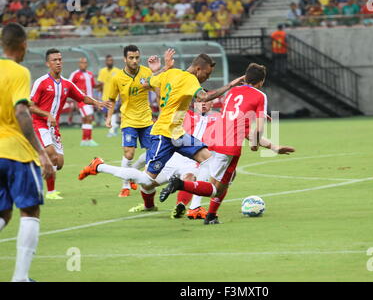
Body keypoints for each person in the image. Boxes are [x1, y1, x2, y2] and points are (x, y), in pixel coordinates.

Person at [78, 53, 245, 221]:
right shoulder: (190, 79)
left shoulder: (170, 73)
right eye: (207, 74)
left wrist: (162, 70)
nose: (206, 77)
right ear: (198, 68)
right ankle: (99, 166)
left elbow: (144, 83)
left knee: (209, 161)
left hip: (177, 133)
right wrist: (231, 85)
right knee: (146, 179)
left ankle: (195, 206)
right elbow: (204, 97)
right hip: (163, 134)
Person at [159, 63, 296, 224]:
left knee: (229, 177)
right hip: (229, 147)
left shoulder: (233, 92)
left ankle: (211, 216)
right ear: (261, 81)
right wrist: (256, 142)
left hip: (215, 141)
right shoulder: (260, 96)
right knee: (215, 189)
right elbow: (258, 128)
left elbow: (238, 125)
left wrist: (272, 146)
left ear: (246, 77)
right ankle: (181, 184)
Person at [0, 22, 54, 282]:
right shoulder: (19, 72)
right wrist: (41, 153)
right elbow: (21, 111)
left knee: (3, 212)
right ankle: (20, 278)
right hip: (16, 154)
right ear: (23, 45)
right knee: (30, 210)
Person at [30, 49, 108, 200]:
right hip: (40, 124)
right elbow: (30, 106)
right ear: (48, 63)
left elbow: (82, 97)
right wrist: (47, 115)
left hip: (54, 128)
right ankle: (51, 192)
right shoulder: (41, 82)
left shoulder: (67, 84)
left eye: (60, 59)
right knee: (52, 156)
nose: (58, 62)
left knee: (59, 163)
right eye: (54, 60)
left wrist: (97, 102)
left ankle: (36, 166)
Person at [103, 45, 163, 198]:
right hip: (128, 120)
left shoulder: (146, 72)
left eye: (137, 57)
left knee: (152, 153)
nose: (134, 60)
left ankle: (133, 171)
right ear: (125, 59)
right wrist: (109, 117)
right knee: (129, 153)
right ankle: (125, 185)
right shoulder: (117, 77)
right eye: (131, 58)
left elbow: (158, 88)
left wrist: (161, 109)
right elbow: (111, 99)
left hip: (146, 119)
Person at [69, 58, 103, 146]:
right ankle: (89, 139)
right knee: (89, 117)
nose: (84, 64)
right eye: (82, 63)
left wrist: (99, 85)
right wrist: (76, 100)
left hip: (90, 100)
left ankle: (84, 140)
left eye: (85, 63)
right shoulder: (75, 74)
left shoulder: (90, 74)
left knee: (86, 120)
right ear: (79, 64)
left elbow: (93, 86)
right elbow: (69, 86)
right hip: (82, 100)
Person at [97, 54, 121, 137]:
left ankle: (112, 130)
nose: (109, 62)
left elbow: (120, 85)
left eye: (111, 60)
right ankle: (114, 126)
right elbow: (100, 84)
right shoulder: (102, 71)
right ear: (106, 62)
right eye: (108, 60)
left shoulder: (117, 71)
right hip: (104, 97)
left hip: (115, 97)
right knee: (106, 114)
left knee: (113, 112)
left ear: (113, 61)